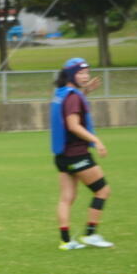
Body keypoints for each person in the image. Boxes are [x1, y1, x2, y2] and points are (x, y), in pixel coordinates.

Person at [49, 57, 113, 250]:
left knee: (66, 198)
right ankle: (91, 234)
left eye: (87, 73)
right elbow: (73, 125)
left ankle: (66, 241)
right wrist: (96, 140)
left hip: (62, 156)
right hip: (77, 154)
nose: (85, 76)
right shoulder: (74, 97)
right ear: (71, 75)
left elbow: (70, 104)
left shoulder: (62, 93)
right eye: (81, 73)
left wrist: (85, 91)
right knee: (102, 191)